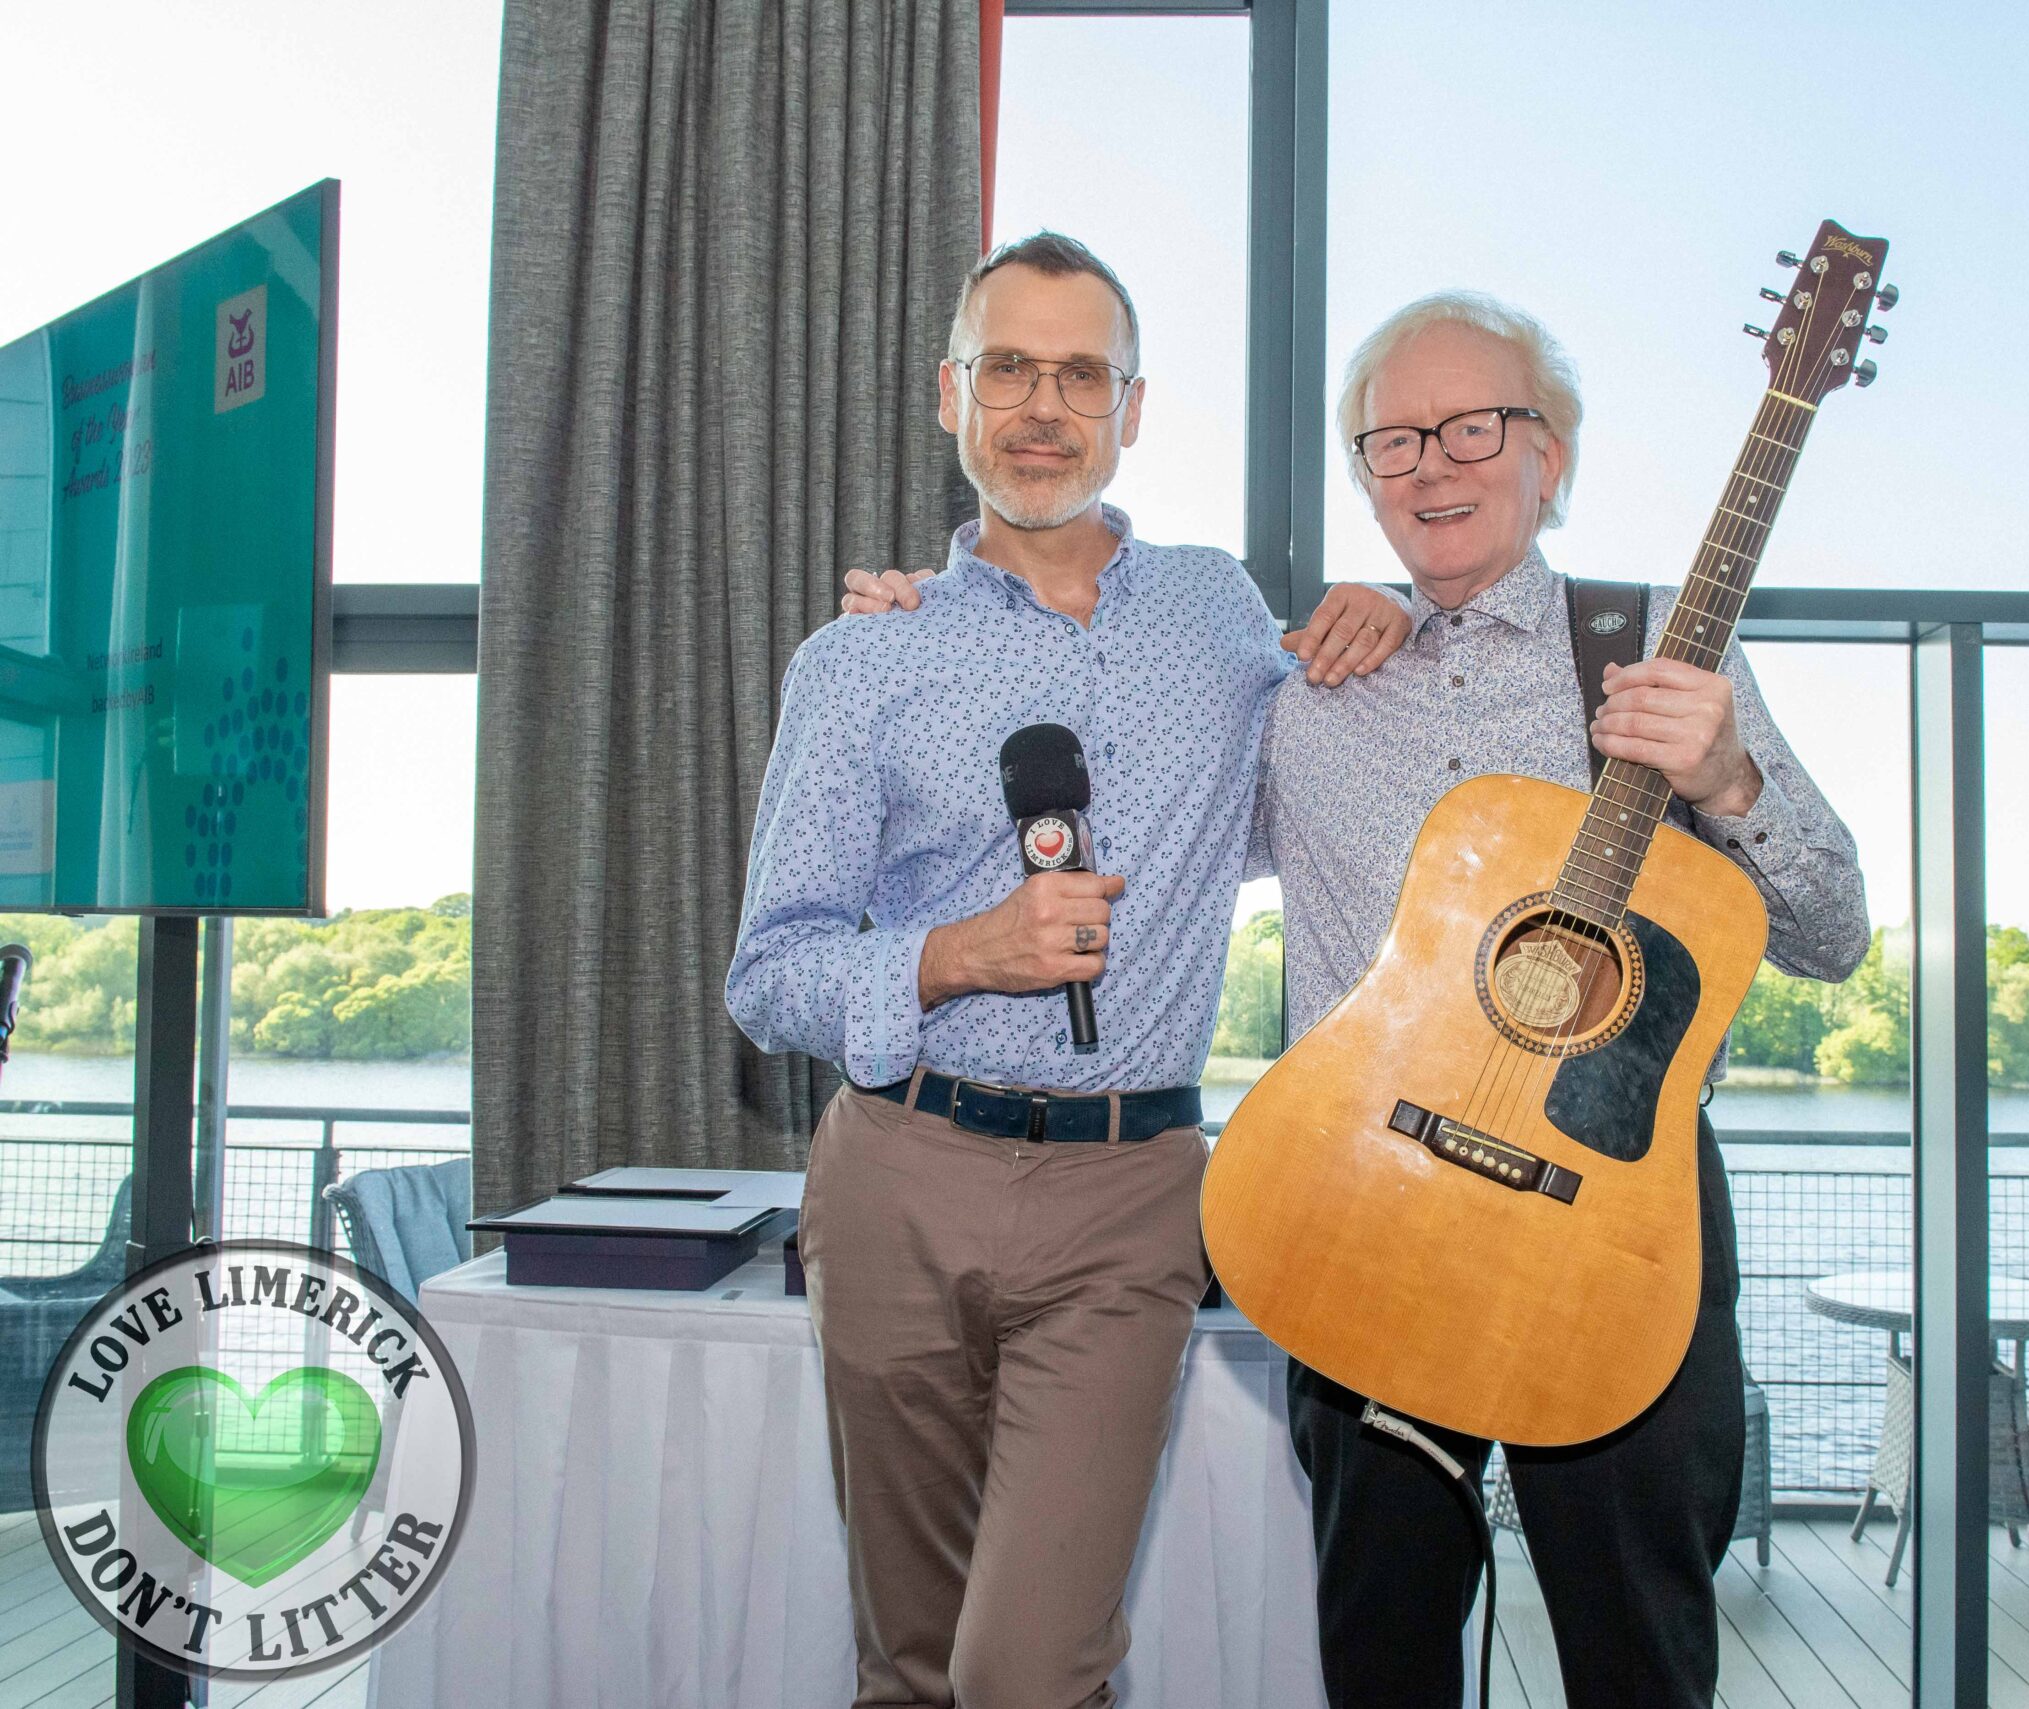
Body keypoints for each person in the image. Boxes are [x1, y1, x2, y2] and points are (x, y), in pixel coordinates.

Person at [841, 290, 1870, 1707]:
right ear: (1366, 477)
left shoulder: (1654, 660)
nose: (1434, 464)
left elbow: (1833, 932)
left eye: (1473, 426)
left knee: (1643, 1657)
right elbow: (1134, 802)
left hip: (1625, 1234)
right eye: (1394, 441)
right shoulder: (1306, 687)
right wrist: (927, 624)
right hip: (1371, 1220)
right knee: (1381, 1658)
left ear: (1548, 455)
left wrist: (1730, 780)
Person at [726, 230, 1411, 1709]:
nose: (1046, 404)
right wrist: (960, 955)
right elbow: (769, 975)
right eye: (1011, 368)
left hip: (1130, 1196)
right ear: (950, 396)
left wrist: (1397, 618)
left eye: (1082, 372)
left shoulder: (1220, 611)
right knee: (910, 1665)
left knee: (1026, 1667)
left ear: (1134, 407)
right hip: (899, 1175)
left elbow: (1321, 800)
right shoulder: (858, 658)